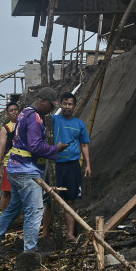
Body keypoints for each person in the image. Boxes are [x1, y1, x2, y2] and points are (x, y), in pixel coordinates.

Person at [0, 87, 66, 260]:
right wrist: (55, 149)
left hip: (15, 168)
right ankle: (29, 252)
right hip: (26, 171)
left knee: (13, 208)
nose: (51, 109)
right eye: (50, 104)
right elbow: (35, 147)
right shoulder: (34, 119)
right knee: (34, 210)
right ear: (42, 100)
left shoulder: (25, 113)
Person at [41, 92, 92, 241]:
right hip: (55, 165)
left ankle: (70, 234)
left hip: (73, 166)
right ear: (60, 104)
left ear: (74, 106)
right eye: (65, 103)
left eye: (70, 104)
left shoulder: (79, 124)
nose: (67, 107)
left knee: (70, 200)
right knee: (50, 202)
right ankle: (45, 233)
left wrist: (88, 164)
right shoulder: (53, 120)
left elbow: (84, 144)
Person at [0, 101, 21, 212]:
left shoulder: (24, 125)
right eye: (11, 110)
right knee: (7, 191)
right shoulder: (5, 129)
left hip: (24, 162)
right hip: (10, 163)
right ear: (7, 114)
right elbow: (1, 148)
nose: (14, 112)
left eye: (16, 110)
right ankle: (4, 216)